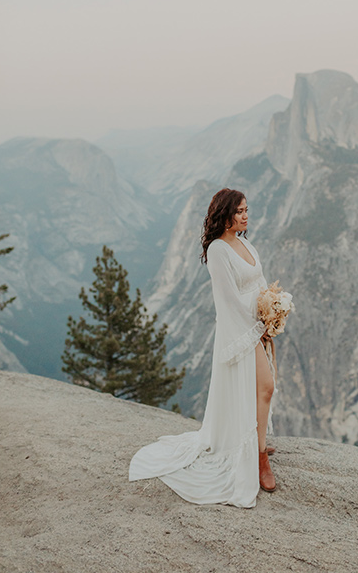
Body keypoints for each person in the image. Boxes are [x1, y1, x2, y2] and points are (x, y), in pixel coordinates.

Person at [129, 188, 276, 508]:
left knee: (259, 390)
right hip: (240, 331)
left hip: (257, 326)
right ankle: (260, 457)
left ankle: (257, 440)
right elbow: (227, 303)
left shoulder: (245, 242)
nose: (246, 216)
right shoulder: (219, 251)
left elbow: (259, 281)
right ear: (224, 216)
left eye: (247, 210)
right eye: (239, 212)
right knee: (266, 387)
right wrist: (257, 327)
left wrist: (272, 308)